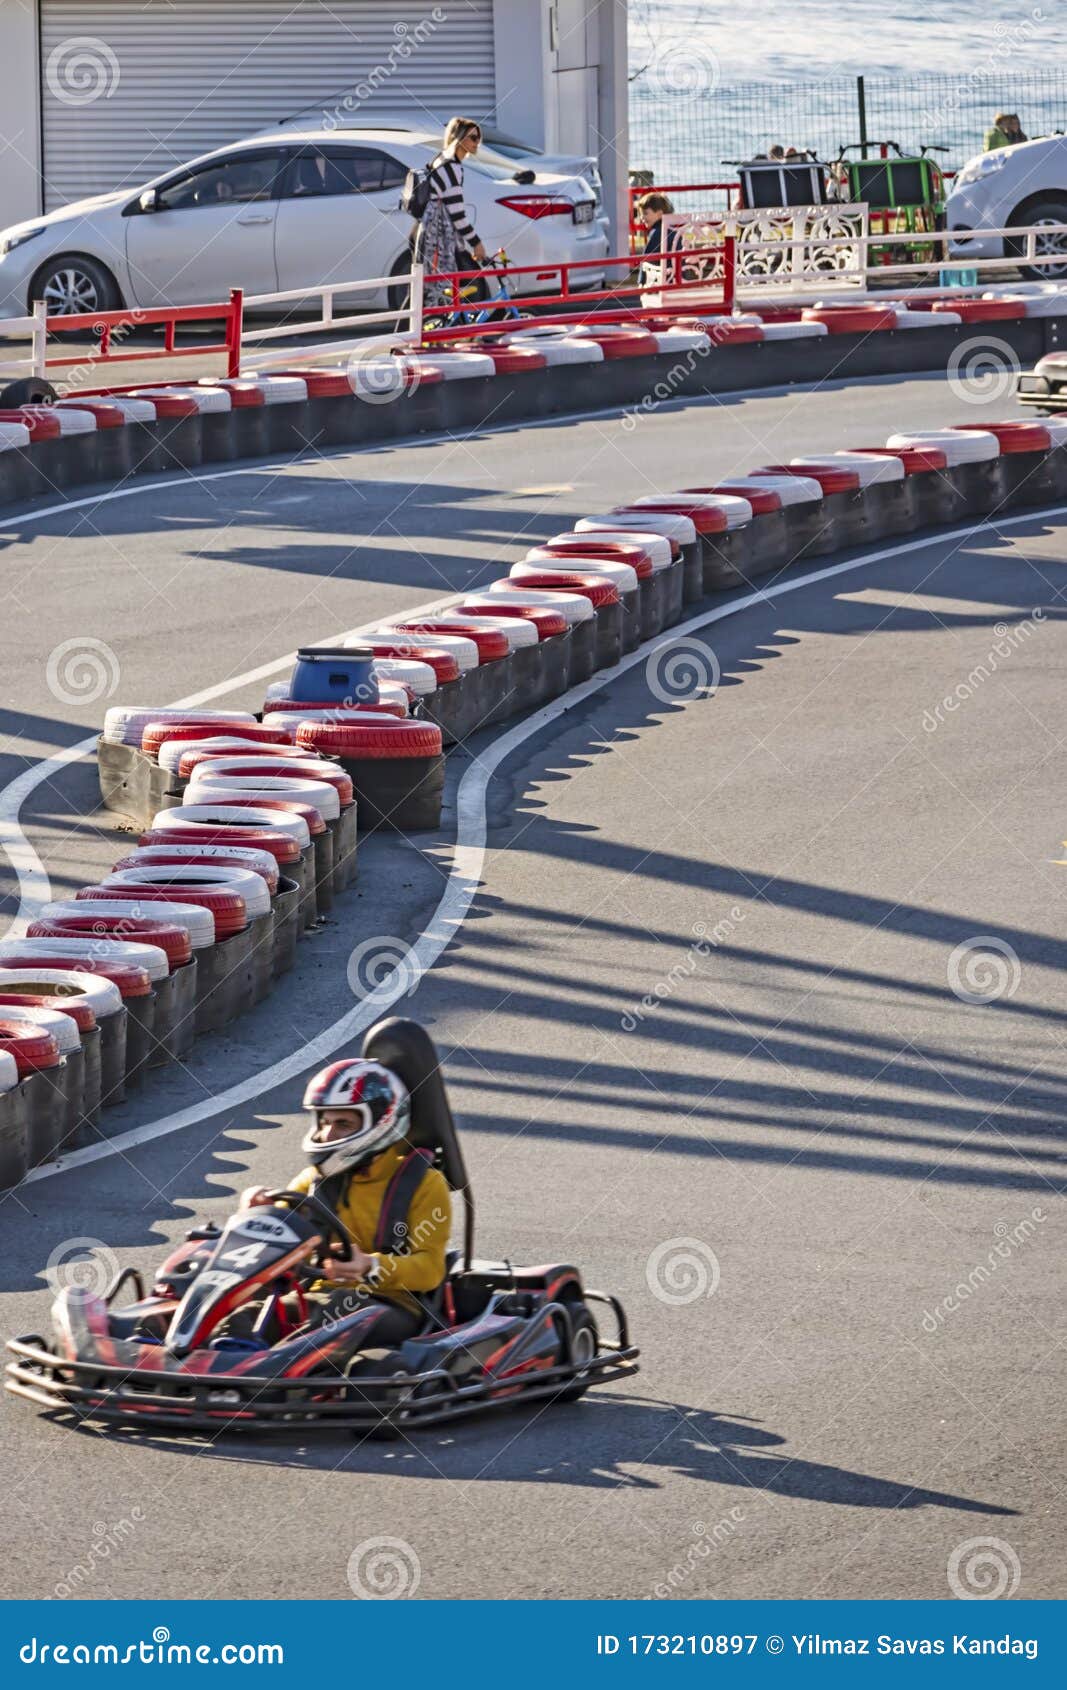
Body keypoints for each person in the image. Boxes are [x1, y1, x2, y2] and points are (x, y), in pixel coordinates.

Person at [215, 1058, 452, 1350]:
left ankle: (271, 1379)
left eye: (343, 1124)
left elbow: (430, 1270)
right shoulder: (314, 1180)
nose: (328, 1135)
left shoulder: (424, 1184)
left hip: (391, 1305)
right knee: (244, 1317)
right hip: (317, 1296)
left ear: (381, 1123)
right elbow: (277, 1237)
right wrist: (254, 1212)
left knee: (330, 1317)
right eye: (326, 1122)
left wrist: (369, 1265)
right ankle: (216, 1372)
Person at [413, 116, 490, 306]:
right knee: (440, 287)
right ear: (459, 138)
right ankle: (435, 331)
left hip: (430, 229)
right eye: (472, 137)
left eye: (478, 137)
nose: (477, 142)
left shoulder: (441, 158)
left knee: (435, 285)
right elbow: (457, 214)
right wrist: (477, 243)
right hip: (438, 235)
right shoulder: (452, 166)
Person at [637, 192, 681, 286]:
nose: (642, 218)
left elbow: (647, 258)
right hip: (678, 278)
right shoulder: (674, 230)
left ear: (659, 214)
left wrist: (641, 282)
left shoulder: (657, 233)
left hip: (662, 281)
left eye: (645, 213)